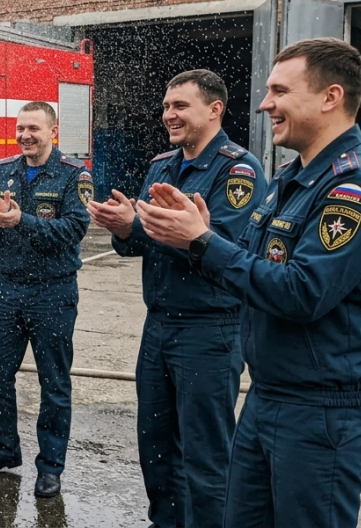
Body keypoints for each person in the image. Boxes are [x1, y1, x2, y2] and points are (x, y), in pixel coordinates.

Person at [136, 38, 361, 528]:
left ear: (330, 97)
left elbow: (301, 292)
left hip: (319, 407)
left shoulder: (350, 187)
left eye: (279, 91)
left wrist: (202, 241)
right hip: (267, 393)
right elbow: (251, 266)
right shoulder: (289, 179)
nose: (264, 104)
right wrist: (200, 239)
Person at [88, 70, 262, 527]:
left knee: (205, 459)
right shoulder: (162, 165)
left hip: (210, 329)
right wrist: (124, 227)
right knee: (156, 448)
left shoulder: (238, 169)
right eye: (166, 106)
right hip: (159, 325)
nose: (169, 115)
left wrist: (142, 227)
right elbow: (136, 244)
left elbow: (220, 245)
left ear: (214, 110)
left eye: (180, 106)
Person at [0, 101, 90, 500]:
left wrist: (24, 221)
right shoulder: (5, 170)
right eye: (20, 129)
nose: (25, 136)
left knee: (53, 382)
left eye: (33, 128)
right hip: (7, 288)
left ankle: (50, 468)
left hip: (52, 291)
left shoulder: (74, 175)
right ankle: (4, 450)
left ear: (52, 131)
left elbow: (74, 229)